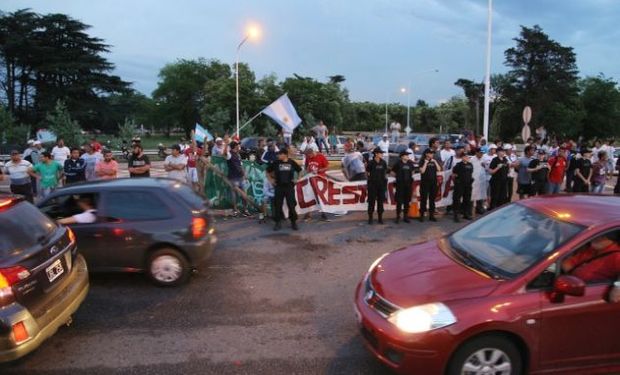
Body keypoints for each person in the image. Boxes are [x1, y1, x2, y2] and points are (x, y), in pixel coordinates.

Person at [267, 149, 301, 231]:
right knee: (278, 205)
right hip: (279, 187)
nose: (278, 156)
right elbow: (267, 171)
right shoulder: (276, 162)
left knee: (291, 205)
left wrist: (297, 179)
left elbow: (299, 170)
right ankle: (277, 222)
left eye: (279, 154)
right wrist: (271, 180)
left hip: (289, 187)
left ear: (285, 155)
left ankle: (293, 222)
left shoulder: (291, 162)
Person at [224, 141, 250, 217]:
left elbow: (241, 165)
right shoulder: (229, 154)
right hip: (233, 178)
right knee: (234, 195)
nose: (239, 146)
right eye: (238, 145)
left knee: (244, 194)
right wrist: (226, 143)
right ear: (235, 146)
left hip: (241, 177)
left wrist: (244, 175)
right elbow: (225, 153)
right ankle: (235, 210)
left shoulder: (238, 155)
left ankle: (245, 210)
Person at [304, 148, 330, 221]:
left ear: (313, 152)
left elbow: (327, 167)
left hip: (320, 180)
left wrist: (319, 170)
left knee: (320, 197)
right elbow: (306, 167)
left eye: (309, 155)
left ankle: (323, 214)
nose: (309, 157)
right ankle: (308, 214)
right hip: (311, 180)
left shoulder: (321, 156)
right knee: (309, 196)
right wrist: (307, 172)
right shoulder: (308, 157)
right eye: (307, 156)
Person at [391, 150, 415, 224]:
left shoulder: (410, 163)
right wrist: (399, 177)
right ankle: (398, 216)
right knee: (399, 202)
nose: (408, 156)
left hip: (408, 185)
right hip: (400, 185)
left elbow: (413, 172)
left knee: (407, 201)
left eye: (408, 155)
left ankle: (405, 216)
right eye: (406, 155)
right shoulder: (398, 163)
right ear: (402, 156)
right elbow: (392, 172)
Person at [419, 148, 442, 222]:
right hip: (425, 183)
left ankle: (431, 215)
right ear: (426, 154)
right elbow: (422, 171)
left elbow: (439, 169)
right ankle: (422, 215)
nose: (432, 154)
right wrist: (426, 163)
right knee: (424, 200)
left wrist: (435, 162)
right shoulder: (422, 161)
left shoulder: (434, 161)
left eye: (433, 153)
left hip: (433, 183)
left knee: (432, 200)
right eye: (431, 153)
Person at [366, 148, 388, 225]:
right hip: (372, 185)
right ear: (376, 154)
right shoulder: (371, 163)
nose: (382, 154)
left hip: (381, 185)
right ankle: (370, 218)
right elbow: (367, 173)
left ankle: (380, 218)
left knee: (380, 202)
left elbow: (385, 172)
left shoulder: (383, 162)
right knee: (371, 202)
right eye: (380, 153)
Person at [451, 151, 474, 222]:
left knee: (467, 199)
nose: (467, 158)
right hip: (459, 185)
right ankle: (456, 215)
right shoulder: (458, 165)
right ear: (462, 157)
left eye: (468, 157)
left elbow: (471, 173)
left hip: (468, 185)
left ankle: (466, 214)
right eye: (466, 157)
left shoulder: (470, 165)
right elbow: (453, 174)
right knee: (457, 200)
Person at [470, 148, 488, 215]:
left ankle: (479, 208)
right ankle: (470, 210)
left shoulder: (484, 159)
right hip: (474, 180)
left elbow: (487, 168)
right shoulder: (472, 159)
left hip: (482, 180)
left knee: (481, 194)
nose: (481, 154)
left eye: (482, 153)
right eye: (480, 152)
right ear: (476, 152)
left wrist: (485, 165)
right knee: (472, 195)